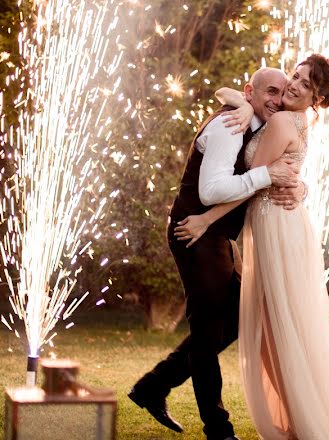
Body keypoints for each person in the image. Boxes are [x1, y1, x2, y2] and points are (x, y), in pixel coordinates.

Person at [175, 54, 329, 440]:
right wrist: (244, 103)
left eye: (306, 84)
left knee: (278, 327)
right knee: (282, 326)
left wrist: (207, 219)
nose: (295, 85)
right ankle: (300, 417)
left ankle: (301, 421)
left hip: (276, 227)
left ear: (316, 98)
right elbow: (271, 172)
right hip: (279, 225)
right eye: (296, 76)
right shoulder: (298, 118)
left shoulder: (282, 119)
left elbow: (254, 180)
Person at [129, 67, 306, 440]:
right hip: (195, 232)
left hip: (218, 236)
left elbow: (272, 164)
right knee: (208, 330)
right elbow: (211, 191)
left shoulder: (258, 121)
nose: (277, 99)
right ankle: (218, 429)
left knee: (239, 317)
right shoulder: (231, 126)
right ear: (250, 92)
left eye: (281, 92)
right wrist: (268, 175)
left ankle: (153, 385)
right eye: (269, 92)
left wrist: (295, 184)